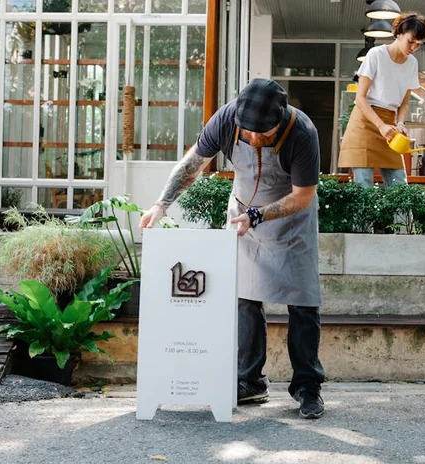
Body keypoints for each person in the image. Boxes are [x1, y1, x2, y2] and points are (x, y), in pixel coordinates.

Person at [139, 79, 326, 419]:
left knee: (303, 302)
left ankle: (307, 386)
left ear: (281, 120)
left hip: (290, 221)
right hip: (243, 216)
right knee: (244, 298)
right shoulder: (225, 120)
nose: (254, 139)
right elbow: (192, 165)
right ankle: (250, 381)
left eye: (264, 134)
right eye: (248, 132)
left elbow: (303, 196)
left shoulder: (303, 133)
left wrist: (261, 215)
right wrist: (160, 205)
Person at [338, 13, 425, 188]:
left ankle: (402, 218)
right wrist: (380, 125)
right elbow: (360, 98)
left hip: (390, 125)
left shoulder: (412, 64)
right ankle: (366, 218)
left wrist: (401, 123)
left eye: (419, 44)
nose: (414, 47)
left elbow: (404, 103)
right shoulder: (376, 54)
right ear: (398, 34)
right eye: (411, 41)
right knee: (364, 185)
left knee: (399, 186)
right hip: (365, 122)